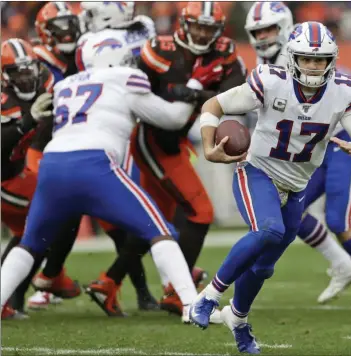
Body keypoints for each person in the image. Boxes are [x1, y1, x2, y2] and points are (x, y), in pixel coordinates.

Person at [189, 21, 351, 354]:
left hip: (297, 186)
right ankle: (208, 296)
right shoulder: (270, 81)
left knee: (264, 267)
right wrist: (210, 147)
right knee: (268, 229)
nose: (313, 66)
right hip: (258, 171)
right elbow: (213, 106)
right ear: (293, 58)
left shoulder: (344, 90)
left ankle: (237, 319)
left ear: (331, 60)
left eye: (320, 59)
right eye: (307, 59)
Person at [0, 37, 214, 323]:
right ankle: (191, 305)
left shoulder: (65, 85)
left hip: (53, 164)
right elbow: (172, 120)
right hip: (95, 163)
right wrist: (195, 92)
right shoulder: (125, 78)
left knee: (29, 243)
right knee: (159, 229)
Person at [86, 1, 247, 317]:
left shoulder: (225, 53)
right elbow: (136, 90)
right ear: (184, 24)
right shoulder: (159, 49)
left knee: (154, 221)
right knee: (201, 212)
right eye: (197, 26)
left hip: (174, 143)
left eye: (208, 28)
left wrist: (189, 91)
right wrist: (188, 90)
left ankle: (107, 283)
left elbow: (235, 99)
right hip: (153, 140)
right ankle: (177, 291)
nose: (202, 33)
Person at [245, 2, 351, 309]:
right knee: (290, 212)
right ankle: (342, 265)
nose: (263, 36)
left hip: (342, 141)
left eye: (269, 29)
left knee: (339, 219)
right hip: (309, 148)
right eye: (257, 31)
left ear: (284, 27)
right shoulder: (265, 63)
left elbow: (346, 81)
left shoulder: (303, 49)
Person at [30, 1, 161, 312]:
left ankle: (53, 280)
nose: (78, 25)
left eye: (81, 19)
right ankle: (48, 281)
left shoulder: (130, 33)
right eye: (62, 26)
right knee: (139, 221)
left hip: (104, 136)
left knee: (125, 223)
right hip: (89, 143)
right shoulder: (76, 48)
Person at [0, 38, 79, 318]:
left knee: (35, 230)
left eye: (29, 69)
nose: (26, 77)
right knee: (51, 216)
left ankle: (14, 296)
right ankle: (41, 281)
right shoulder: (4, 101)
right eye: (18, 72)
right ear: (5, 76)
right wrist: (24, 123)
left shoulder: (45, 82)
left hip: (15, 174)